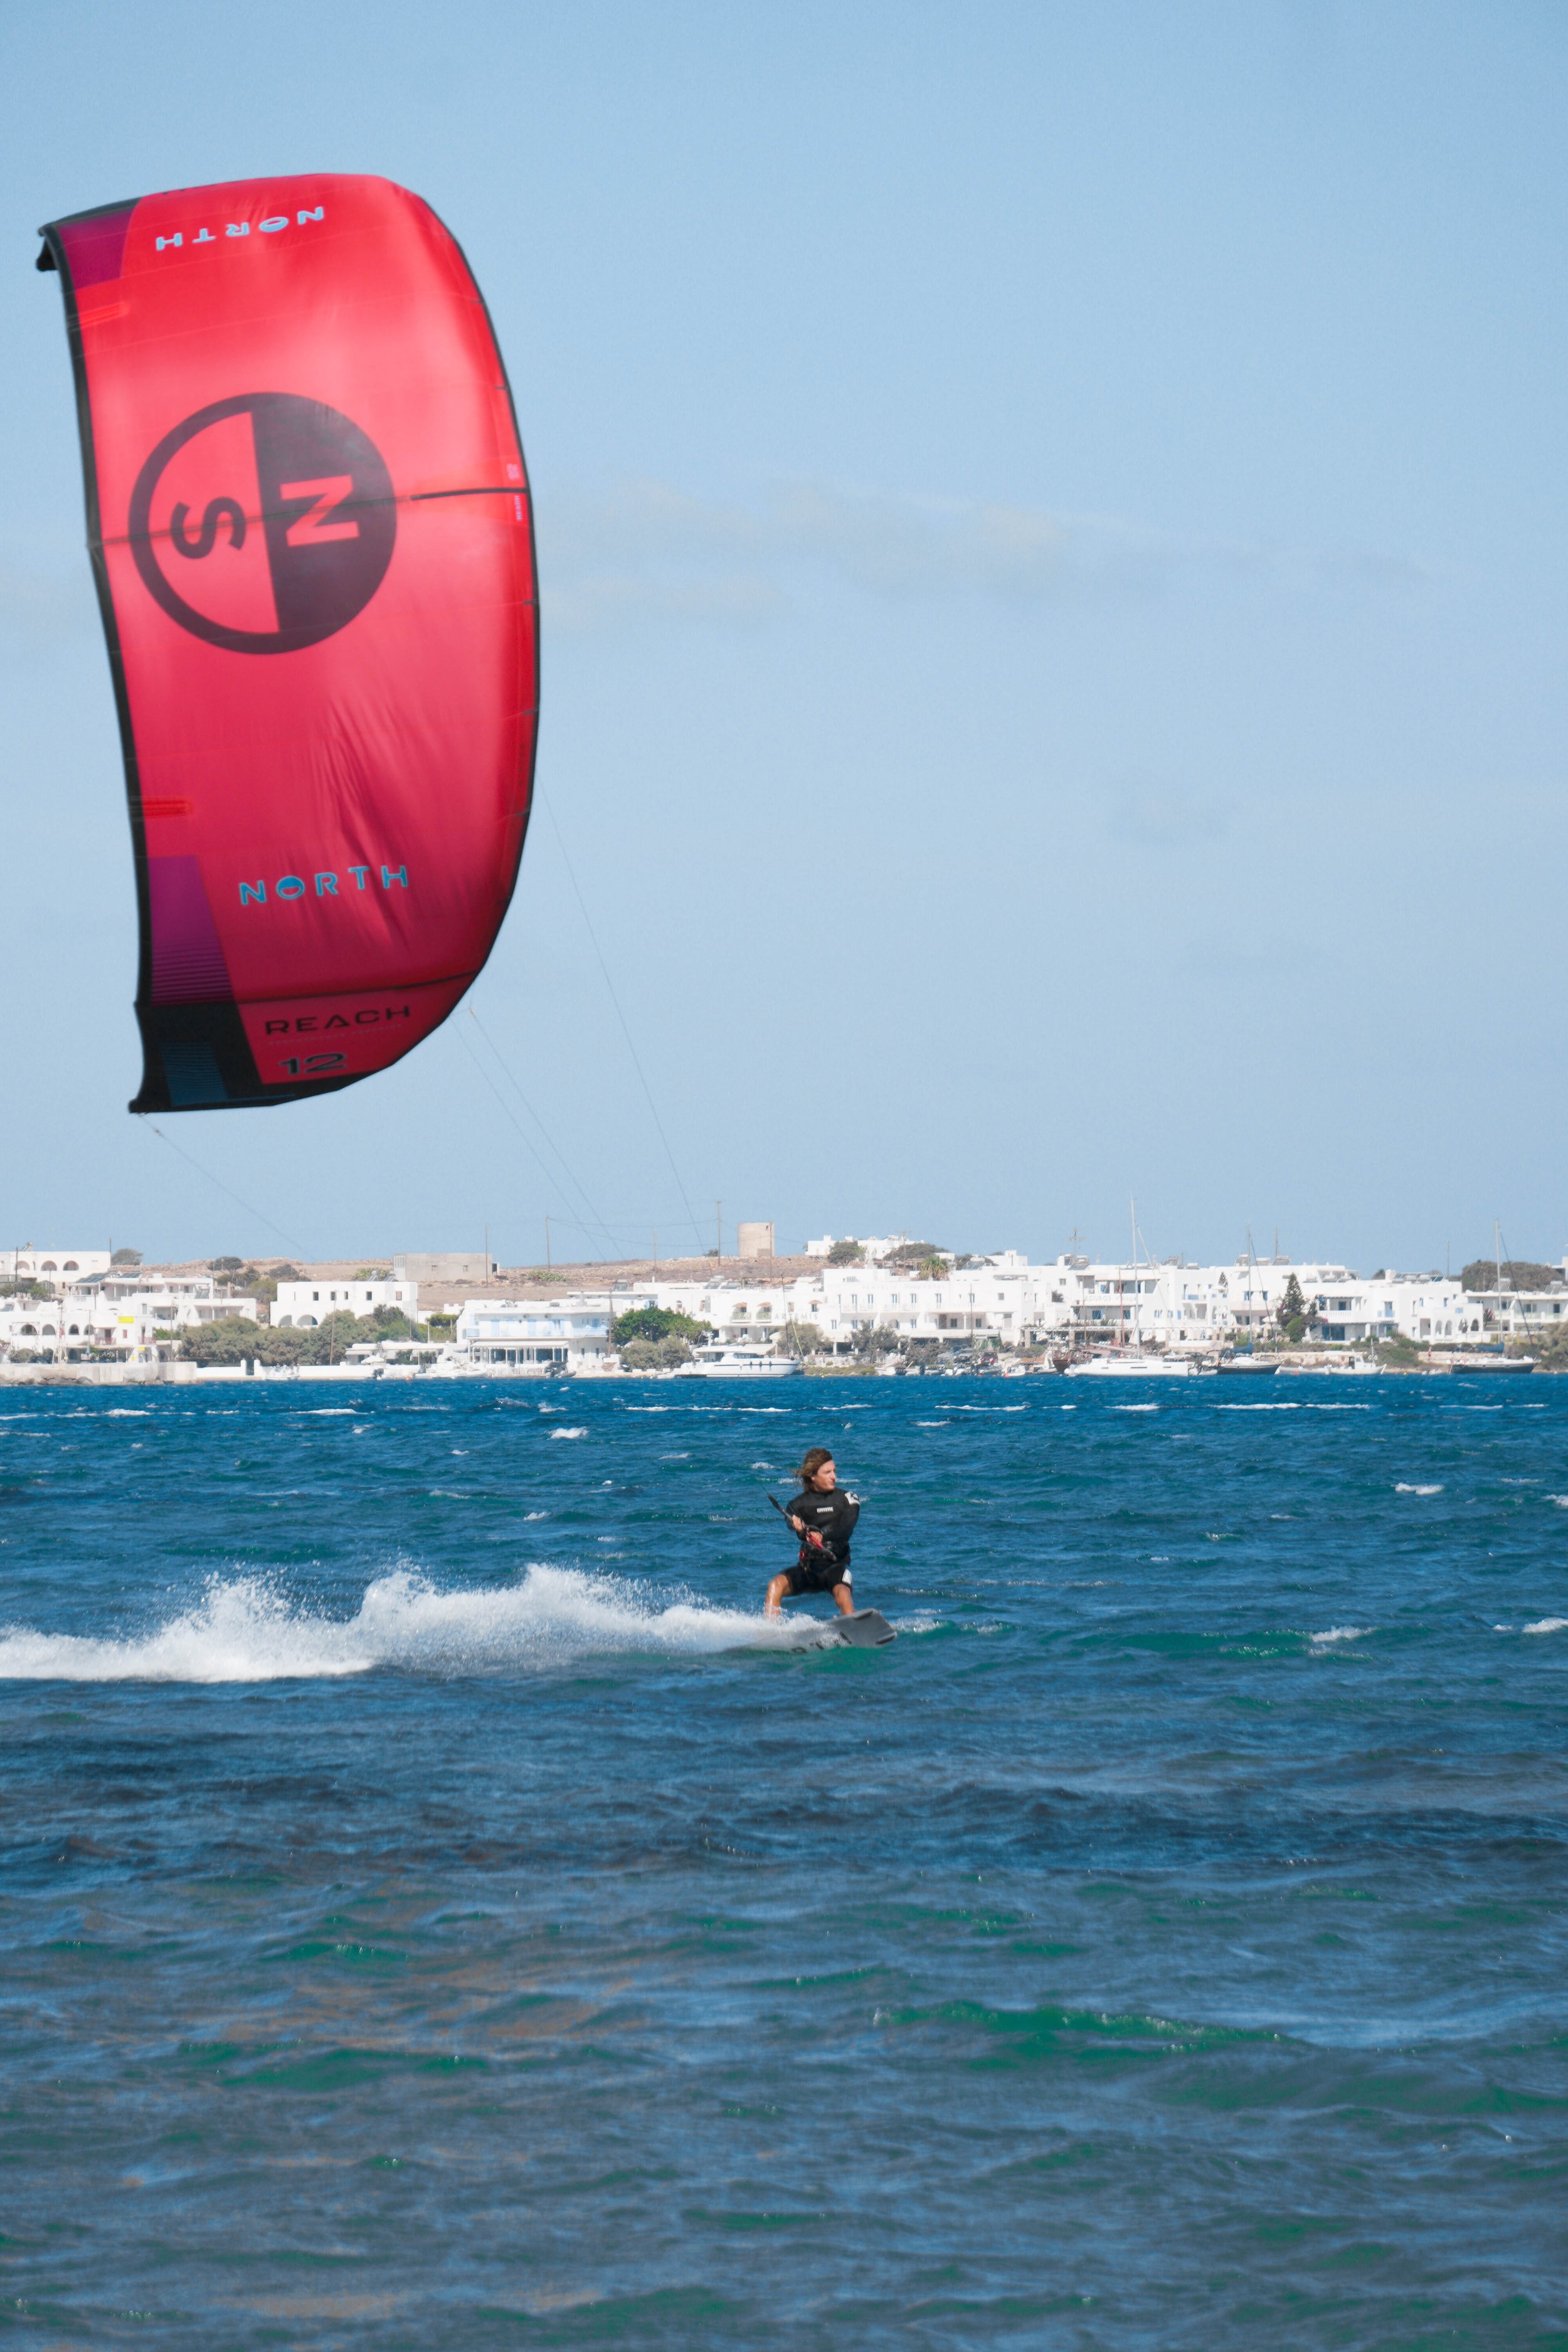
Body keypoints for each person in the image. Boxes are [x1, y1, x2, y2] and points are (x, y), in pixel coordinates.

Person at [766, 1446, 860, 1618]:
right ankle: (770, 1632)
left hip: (836, 1568)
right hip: (808, 1570)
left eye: (835, 1471)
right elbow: (790, 1520)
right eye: (828, 1472)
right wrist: (795, 1524)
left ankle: (853, 1627)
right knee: (775, 1585)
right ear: (813, 1476)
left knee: (843, 1594)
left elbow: (846, 1527)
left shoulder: (848, 1499)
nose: (834, 1477)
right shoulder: (797, 1505)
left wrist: (822, 1534)